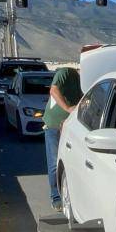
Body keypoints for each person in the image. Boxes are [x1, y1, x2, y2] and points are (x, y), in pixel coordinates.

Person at [43, 67, 82, 211]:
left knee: (72, 163)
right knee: (54, 162)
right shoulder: (66, 73)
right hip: (54, 125)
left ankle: (71, 195)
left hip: (71, 127)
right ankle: (56, 197)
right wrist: (68, 109)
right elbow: (53, 90)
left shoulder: (85, 84)